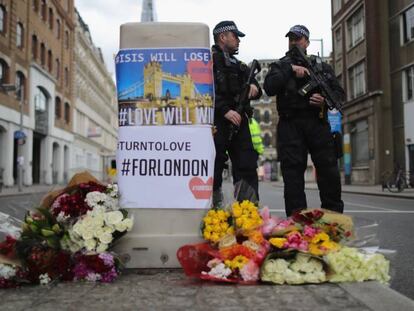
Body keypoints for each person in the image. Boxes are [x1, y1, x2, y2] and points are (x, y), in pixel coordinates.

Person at [264, 25, 345, 216]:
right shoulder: (279, 66)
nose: (294, 42)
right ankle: (297, 223)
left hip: (317, 122)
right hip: (290, 124)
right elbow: (269, 87)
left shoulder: (321, 67)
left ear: (307, 42)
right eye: (291, 38)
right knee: (292, 177)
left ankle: (333, 220)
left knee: (329, 172)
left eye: (298, 38)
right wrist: (289, 69)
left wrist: (324, 101)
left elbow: (339, 94)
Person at [211, 21, 262, 206]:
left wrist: (255, 87)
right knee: (214, 166)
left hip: (240, 122)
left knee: (246, 166)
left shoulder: (240, 66)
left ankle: (247, 213)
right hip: (217, 121)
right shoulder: (206, 61)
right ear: (223, 37)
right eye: (235, 36)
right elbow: (202, 92)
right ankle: (213, 212)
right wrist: (224, 110)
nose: (239, 40)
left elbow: (258, 87)